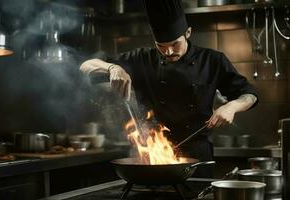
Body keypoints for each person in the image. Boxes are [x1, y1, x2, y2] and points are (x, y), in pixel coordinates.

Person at [80, 0, 258, 177]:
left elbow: (249, 95)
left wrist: (232, 106)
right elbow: (86, 66)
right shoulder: (142, 59)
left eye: (174, 44)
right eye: (161, 46)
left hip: (196, 160)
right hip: (153, 155)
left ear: (188, 33)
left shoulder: (212, 61)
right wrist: (112, 68)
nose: (169, 52)